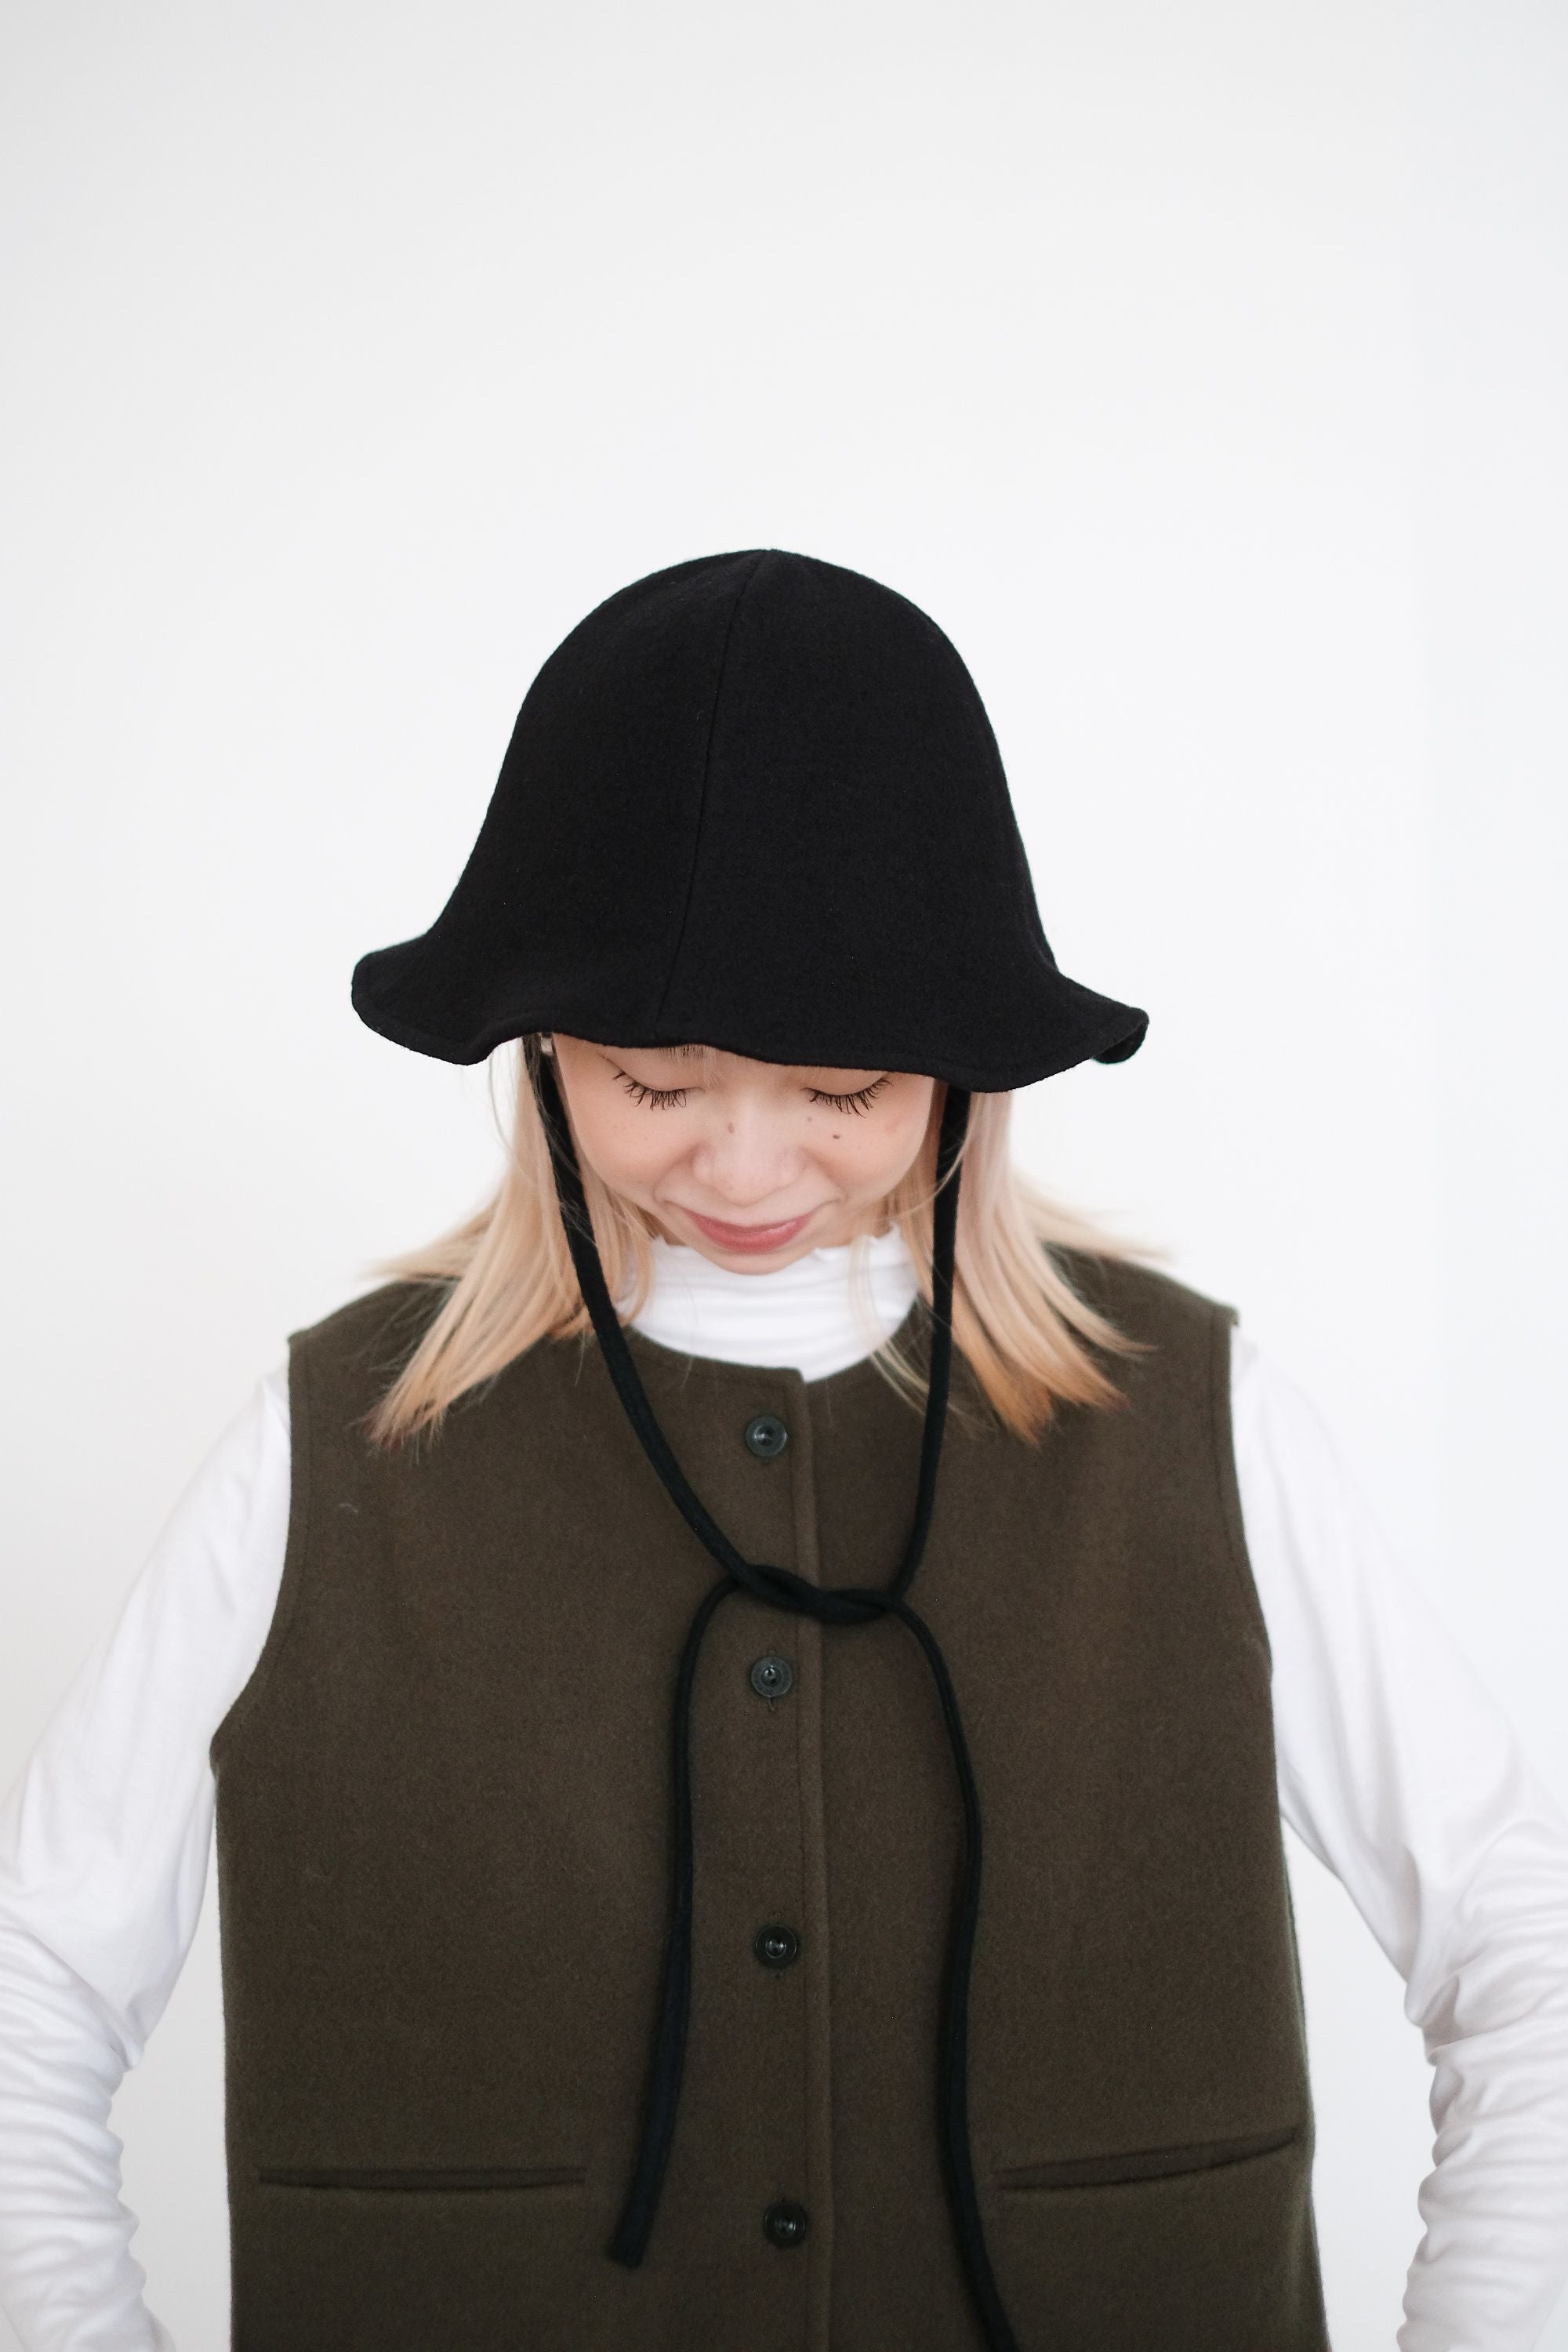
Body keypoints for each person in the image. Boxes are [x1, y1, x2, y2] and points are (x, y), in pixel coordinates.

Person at [2, 549, 1566, 2352]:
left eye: (840, 1091)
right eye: (653, 1086)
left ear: (962, 1072)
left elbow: (1513, 1942)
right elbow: (37, 1985)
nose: (742, 1170)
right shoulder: (330, 1443)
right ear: (539, 1054)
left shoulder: (1198, 1421)